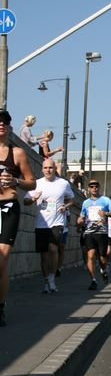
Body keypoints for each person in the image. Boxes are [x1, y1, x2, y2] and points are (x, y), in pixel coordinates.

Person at [0, 109, 36, 326]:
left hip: (8, 207)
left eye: (5, 121)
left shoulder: (17, 153)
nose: (1, 124)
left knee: (2, 260)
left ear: (10, 126)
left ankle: (0, 306)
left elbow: (32, 182)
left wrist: (16, 182)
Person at [24, 159, 74, 293]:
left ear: (55, 169)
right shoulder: (37, 183)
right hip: (41, 224)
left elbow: (71, 200)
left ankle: (52, 279)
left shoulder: (63, 183)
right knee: (44, 254)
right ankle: (46, 281)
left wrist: (66, 206)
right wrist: (33, 198)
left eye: (51, 168)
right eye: (45, 168)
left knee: (53, 249)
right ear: (42, 169)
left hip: (57, 222)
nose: (48, 170)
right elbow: (25, 201)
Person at [77, 180, 111, 290]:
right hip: (89, 233)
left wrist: (106, 213)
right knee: (90, 256)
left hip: (102, 233)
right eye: (91, 186)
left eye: (96, 186)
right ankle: (93, 280)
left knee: (102, 259)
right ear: (88, 189)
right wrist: (80, 221)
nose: (94, 188)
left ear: (99, 187)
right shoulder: (85, 203)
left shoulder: (105, 200)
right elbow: (82, 216)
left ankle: (103, 270)